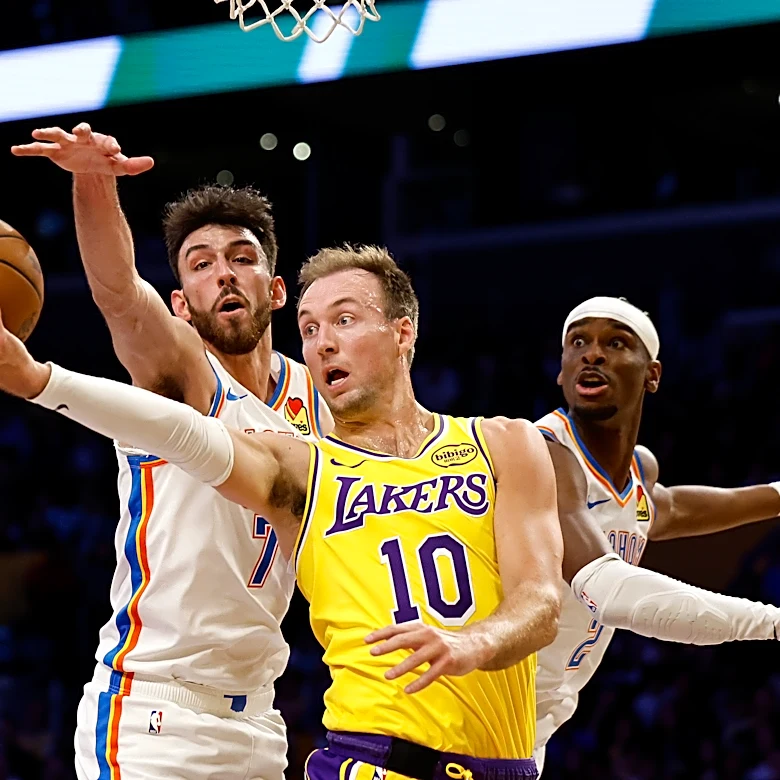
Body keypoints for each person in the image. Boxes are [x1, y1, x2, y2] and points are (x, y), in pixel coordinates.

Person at [0, 244, 565, 780]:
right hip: (366, 756)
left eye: (344, 320)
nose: (322, 343)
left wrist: (473, 643)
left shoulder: (506, 443)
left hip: (504, 761)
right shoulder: (304, 467)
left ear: (402, 331)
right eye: (310, 328)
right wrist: (40, 380)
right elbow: (180, 432)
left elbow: (541, 601)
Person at [11, 123, 332, 779]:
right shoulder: (182, 373)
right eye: (202, 263)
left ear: (275, 289)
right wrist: (93, 182)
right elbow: (120, 294)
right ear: (182, 305)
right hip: (154, 715)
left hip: (259, 723)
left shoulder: (320, 400)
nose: (225, 274)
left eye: (242, 257)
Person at [532, 296, 780, 775]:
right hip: (472, 706)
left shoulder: (639, 473)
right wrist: (771, 622)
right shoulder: (542, 452)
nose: (592, 354)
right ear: (561, 372)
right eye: (577, 343)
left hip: (532, 726)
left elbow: (669, 507)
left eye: (616, 343)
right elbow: (607, 591)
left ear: (653, 374)